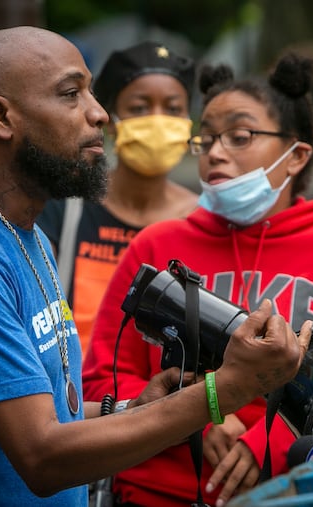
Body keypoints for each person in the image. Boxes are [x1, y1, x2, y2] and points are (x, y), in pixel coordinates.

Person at [0, 26, 313, 506]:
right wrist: (227, 391)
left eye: (91, 92)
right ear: (0, 117)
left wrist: (133, 410)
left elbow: (44, 408)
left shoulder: (21, 232)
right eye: (71, 94)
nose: (99, 113)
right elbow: (42, 455)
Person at [82, 52, 313, 506]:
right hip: (154, 493)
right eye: (207, 139)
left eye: (240, 136)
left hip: (293, 494)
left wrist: (271, 443)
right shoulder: (156, 245)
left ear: (296, 155)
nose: (216, 152)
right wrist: (197, 414)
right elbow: (104, 378)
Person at [37, 41, 199, 354]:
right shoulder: (66, 206)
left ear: (187, 123)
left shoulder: (203, 220)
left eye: (173, 108)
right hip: (77, 391)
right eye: (139, 108)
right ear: (109, 120)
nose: (157, 120)